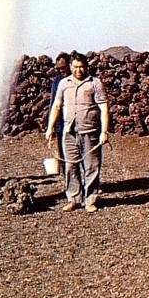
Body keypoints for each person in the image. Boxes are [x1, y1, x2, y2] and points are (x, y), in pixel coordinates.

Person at [45, 54, 109, 213]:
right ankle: (73, 199)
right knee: (70, 166)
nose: (78, 70)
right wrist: (50, 127)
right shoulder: (63, 83)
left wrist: (104, 132)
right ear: (71, 67)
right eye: (75, 67)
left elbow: (104, 108)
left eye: (81, 67)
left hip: (90, 131)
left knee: (91, 166)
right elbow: (57, 105)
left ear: (86, 67)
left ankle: (90, 200)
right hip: (69, 132)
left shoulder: (95, 83)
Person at [49, 55, 70, 169]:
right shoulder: (57, 81)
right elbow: (53, 103)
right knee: (62, 150)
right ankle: (66, 177)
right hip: (60, 122)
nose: (62, 70)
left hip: (73, 121)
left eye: (64, 67)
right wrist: (51, 125)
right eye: (59, 68)